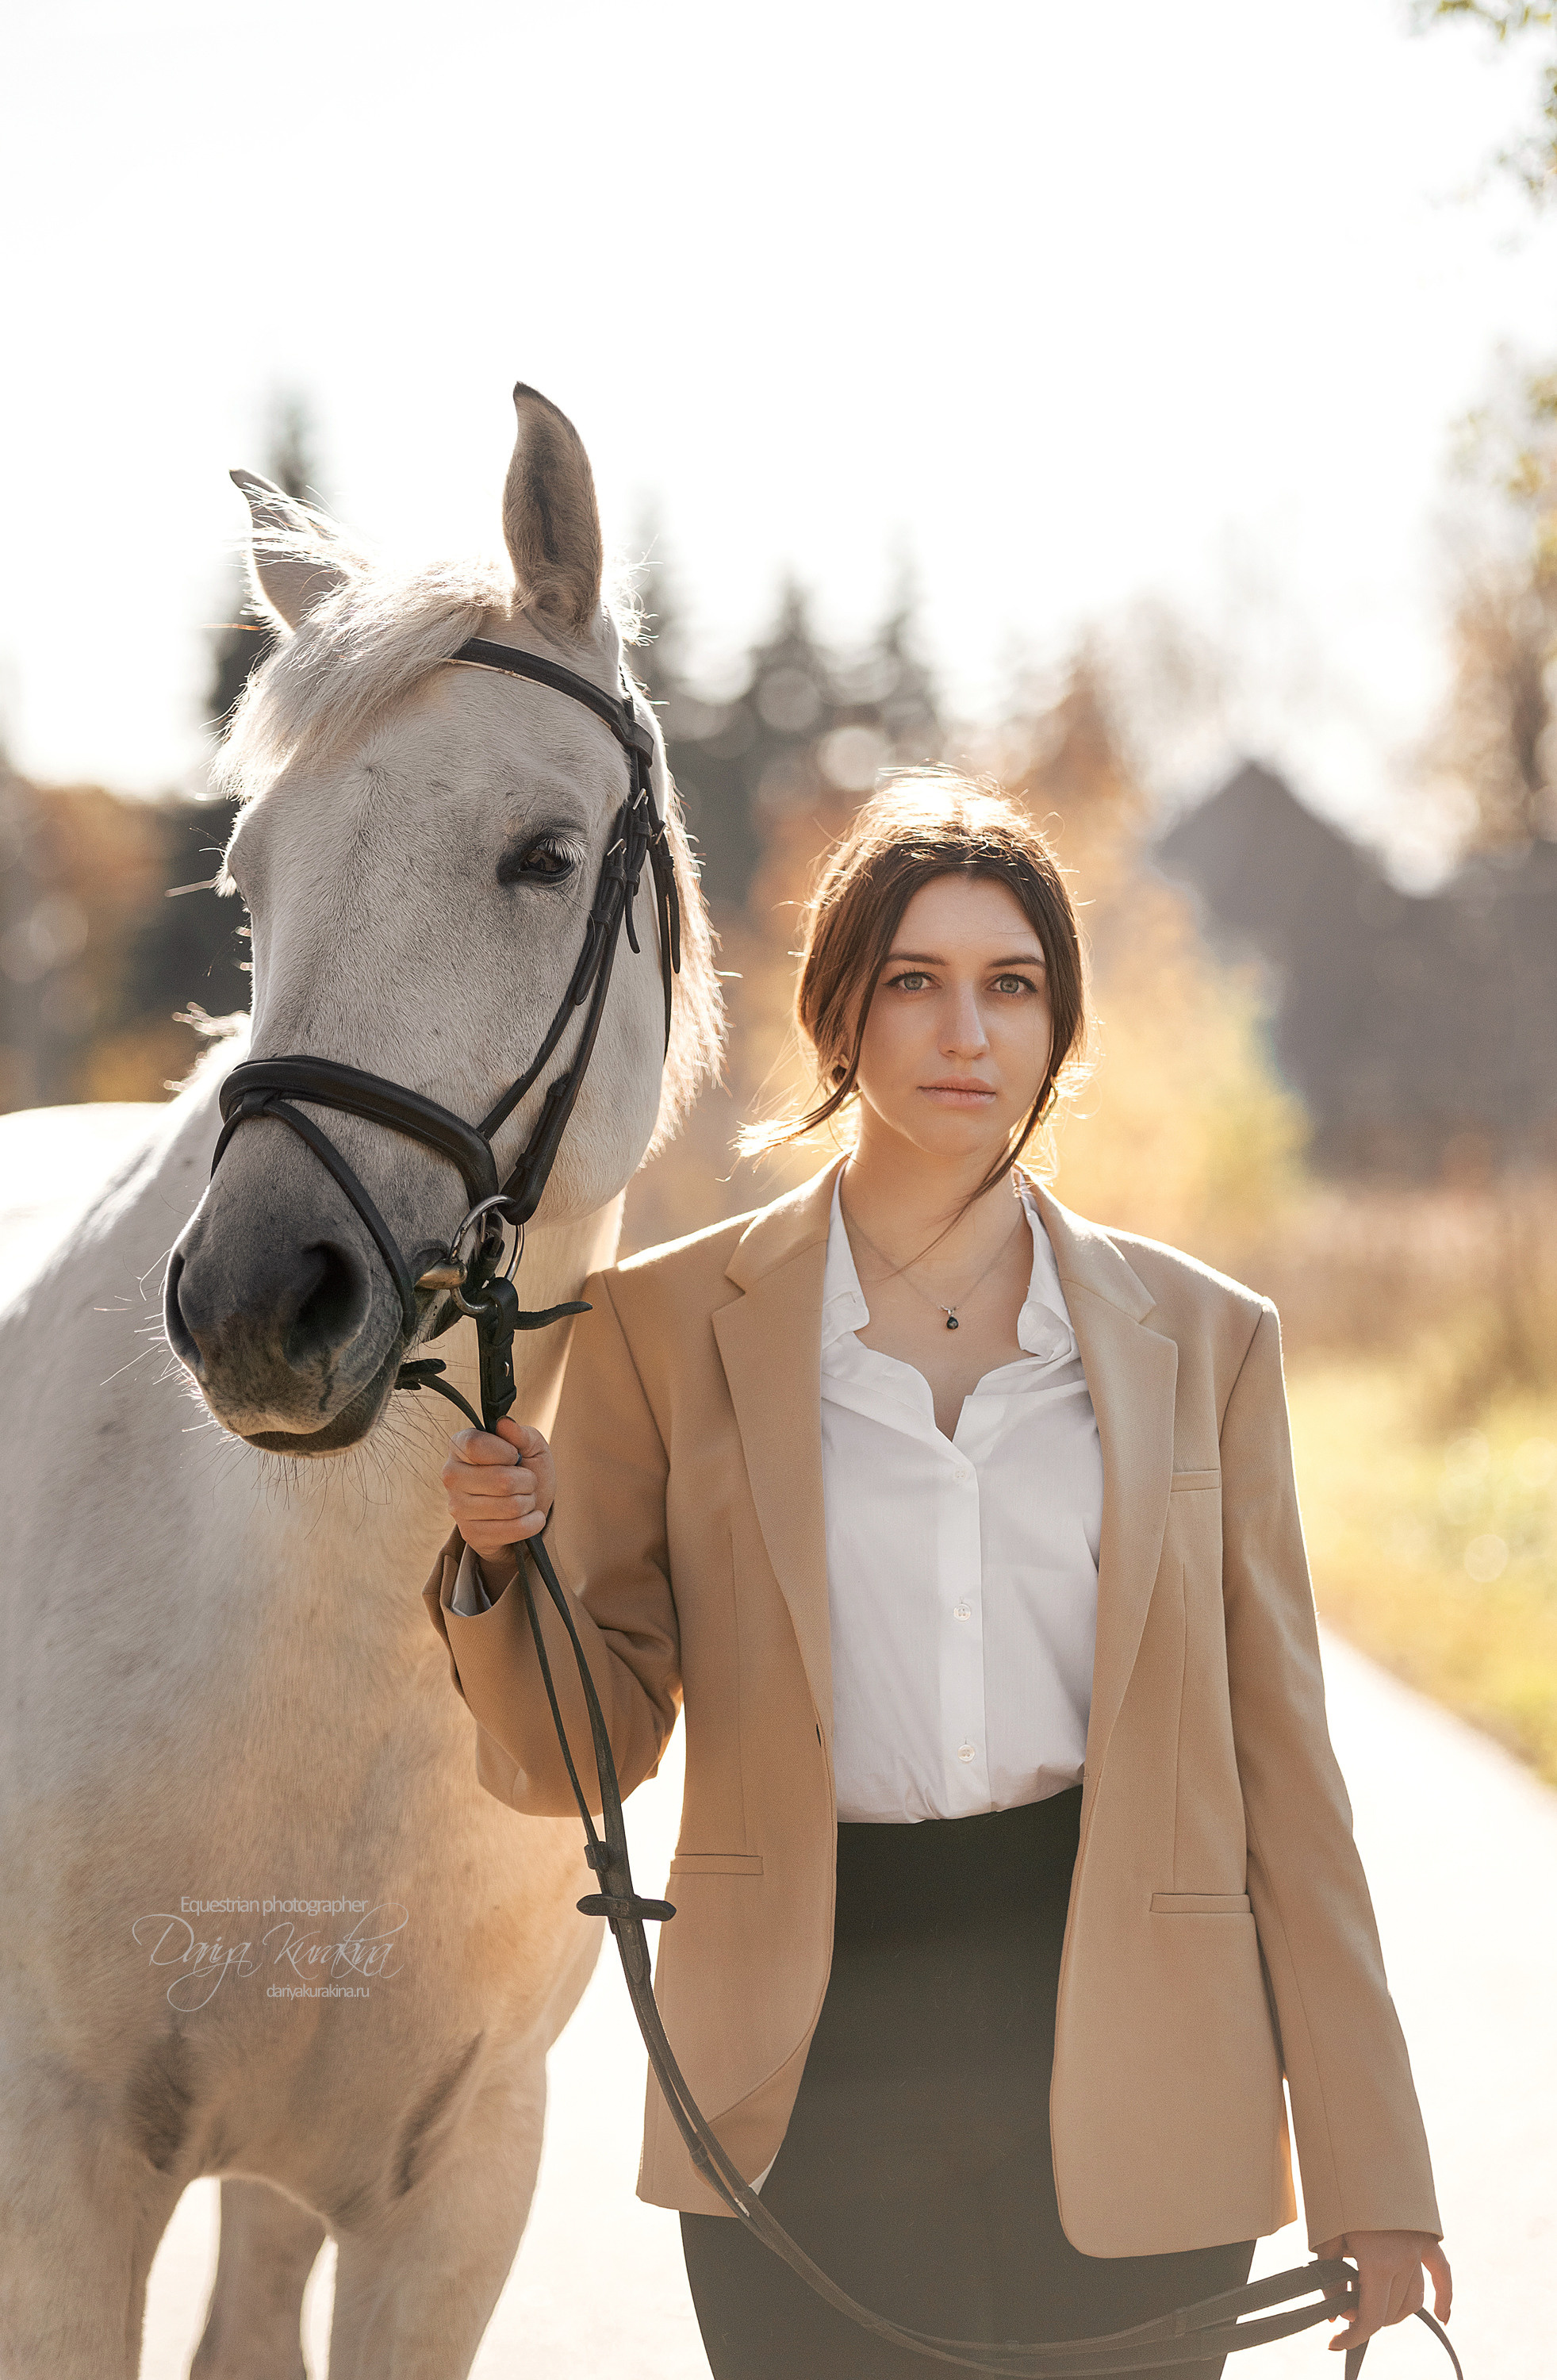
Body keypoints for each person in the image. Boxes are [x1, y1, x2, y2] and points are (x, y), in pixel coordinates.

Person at [421, 776, 1452, 2378]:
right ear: (839, 1014)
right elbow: (582, 1751)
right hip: (800, 2078)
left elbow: (1289, 1782)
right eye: (916, 981)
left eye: (1011, 986)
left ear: (1058, 1029)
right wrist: (506, 1567)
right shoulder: (660, 1329)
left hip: (1140, 2066)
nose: (966, 1032)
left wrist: (1375, 2175)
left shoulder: (1209, 1341)